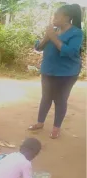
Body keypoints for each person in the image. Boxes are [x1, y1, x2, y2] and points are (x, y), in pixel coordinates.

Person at [28, 4, 83, 139]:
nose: (54, 18)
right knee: (46, 97)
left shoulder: (76, 33)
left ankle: (56, 128)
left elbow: (70, 52)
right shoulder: (54, 30)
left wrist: (53, 37)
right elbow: (38, 47)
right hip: (48, 70)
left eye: (57, 16)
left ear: (67, 18)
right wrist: (47, 37)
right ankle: (40, 123)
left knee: (60, 100)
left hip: (66, 73)